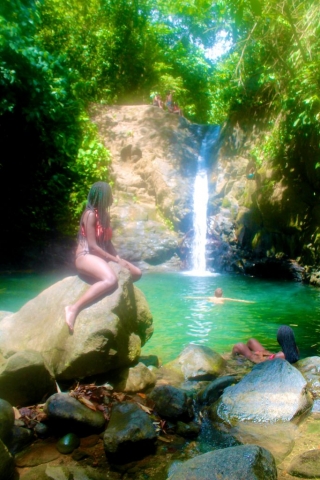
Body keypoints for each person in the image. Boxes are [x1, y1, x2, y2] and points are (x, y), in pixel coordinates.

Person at [65, 182, 142, 333]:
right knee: (111, 280)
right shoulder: (90, 214)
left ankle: (100, 275)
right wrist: (114, 260)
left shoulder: (104, 215)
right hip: (86, 255)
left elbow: (108, 243)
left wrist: (118, 258)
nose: (112, 198)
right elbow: (93, 246)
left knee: (136, 273)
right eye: (110, 195)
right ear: (102, 197)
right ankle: (73, 308)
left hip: (101, 257)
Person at [232, 325, 299, 364]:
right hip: (271, 358)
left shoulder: (280, 356)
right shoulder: (295, 348)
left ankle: (233, 360)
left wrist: (260, 355)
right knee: (251, 341)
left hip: (261, 362)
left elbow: (264, 364)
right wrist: (267, 354)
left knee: (239, 346)